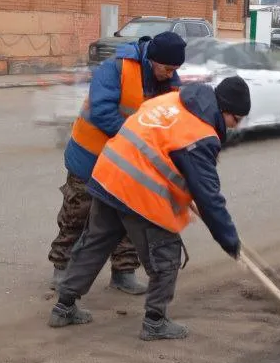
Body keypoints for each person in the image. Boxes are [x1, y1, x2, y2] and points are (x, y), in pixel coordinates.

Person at [49, 77, 250, 341]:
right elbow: (209, 198)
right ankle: (155, 322)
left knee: (94, 244)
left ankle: (63, 307)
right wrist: (230, 241)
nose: (236, 126)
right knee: (166, 256)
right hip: (138, 192)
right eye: (236, 119)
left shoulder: (172, 100)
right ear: (224, 109)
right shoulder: (201, 135)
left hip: (109, 176)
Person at [49, 31, 184, 295]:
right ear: (152, 60)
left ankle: (123, 271)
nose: (171, 74)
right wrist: (138, 138)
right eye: (167, 68)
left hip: (130, 164)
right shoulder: (115, 69)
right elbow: (102, 112)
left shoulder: (171, 84)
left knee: (130, 217)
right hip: (91, 155)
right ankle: (62, 267)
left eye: (175, 69)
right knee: (78, 213)